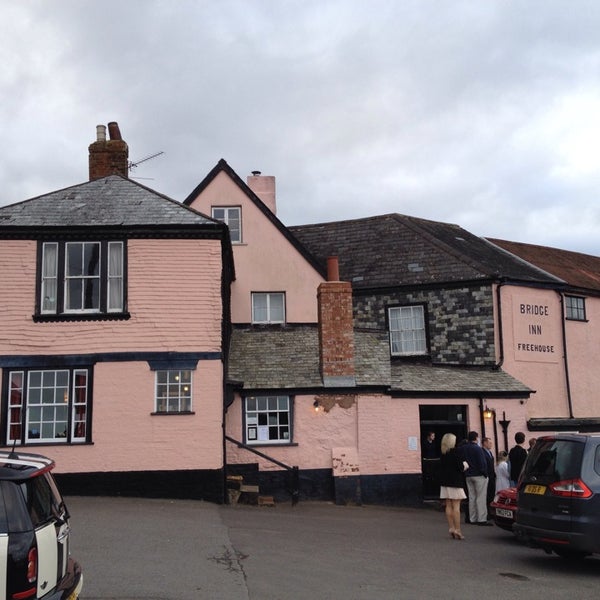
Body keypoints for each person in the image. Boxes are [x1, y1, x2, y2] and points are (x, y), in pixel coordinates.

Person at [439, 433, 467, 540]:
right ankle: (458, 530)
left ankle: (451, 528)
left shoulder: (443, 452)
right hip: (455, 482)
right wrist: (465, 466)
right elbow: (460, 467)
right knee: (456, 507)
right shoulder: (456, 452)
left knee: (448, 505)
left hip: (445, 482)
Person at [461, 431, 492, 526]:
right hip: (479, 475)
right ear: (476, 438)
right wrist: (485, 474)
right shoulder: (478, 449)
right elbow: (482, 463)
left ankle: (472, 518)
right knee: (481, 497)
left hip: (468, 475)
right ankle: (481, 519)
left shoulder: (463, 448)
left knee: (472, 497)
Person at [482, 437, 496, 519]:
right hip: (487, 476)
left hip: (492, 476)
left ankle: (491, 512)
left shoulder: (489, 452)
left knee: (491, 494)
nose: (491, 444)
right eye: (489, 443)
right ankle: (487, 513)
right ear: (484, 443)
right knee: (487, 495)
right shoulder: (482, 452)